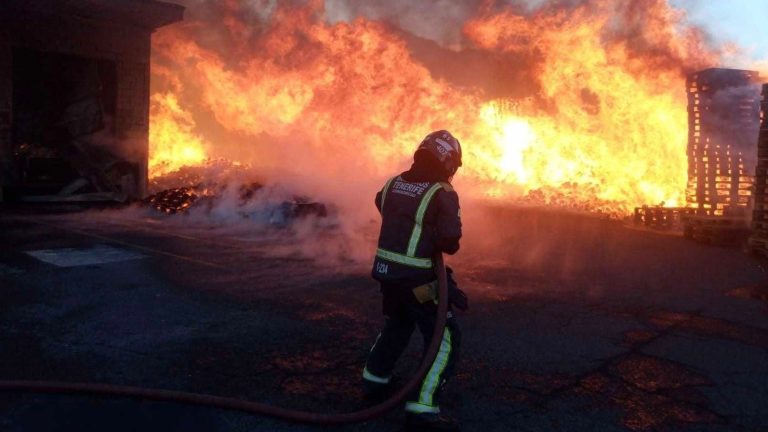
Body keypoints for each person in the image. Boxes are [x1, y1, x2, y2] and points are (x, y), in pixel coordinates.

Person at [362, 130, 469, 432]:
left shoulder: (394, 182)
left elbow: (379, 201)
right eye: (454, 164)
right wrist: (431, 234)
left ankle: (374, 380)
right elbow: (450, 241)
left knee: (399, 323)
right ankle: (422, 408)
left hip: (387, 273)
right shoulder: (442, 192)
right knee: (445, 337)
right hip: (417, 279)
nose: (454, 171)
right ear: (447, 159)